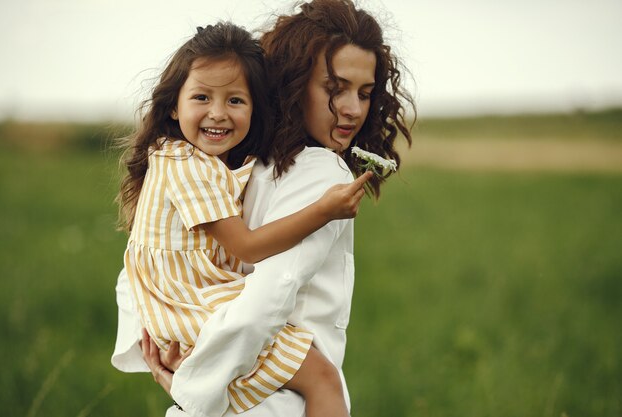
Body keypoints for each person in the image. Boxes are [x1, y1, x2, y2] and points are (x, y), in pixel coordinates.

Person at [112, 1, 414, 416]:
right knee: (327, 382)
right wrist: (196, 386)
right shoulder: (321, 173)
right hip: (276, 402)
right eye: (335, 88)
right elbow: (267, 297)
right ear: (295, 81)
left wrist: (178, 357)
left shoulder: (236, 162)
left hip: (232, 384)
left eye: (364, 93)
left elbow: (142, 265)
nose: (353, 109)